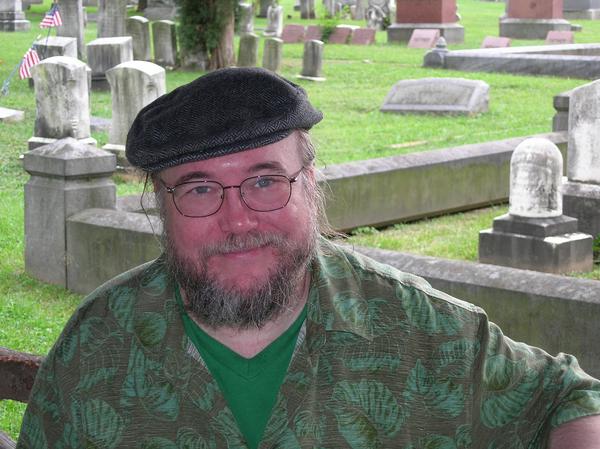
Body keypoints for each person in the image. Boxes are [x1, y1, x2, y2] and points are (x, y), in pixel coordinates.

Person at [16, 68, 600, 449]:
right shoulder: (96, 346)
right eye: (199, 189)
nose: (238, 221)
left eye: (265, 181)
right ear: (160, 208)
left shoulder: (426, 335)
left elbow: (571, 400)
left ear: (311, 186)